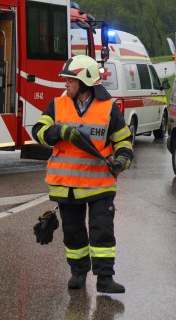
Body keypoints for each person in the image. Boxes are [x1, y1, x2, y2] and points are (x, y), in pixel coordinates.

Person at [32, 55, 134, 293]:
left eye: (70, 80)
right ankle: (78, 273)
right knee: (73, 232)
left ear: (85, 82)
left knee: (102, 231)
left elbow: (123, 141)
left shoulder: (108, 108)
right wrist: (59, 131)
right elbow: (38, 132)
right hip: (67, 185)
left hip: (100, 185)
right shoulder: (57, 104)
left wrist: (123, 160)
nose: (65, 84)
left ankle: (105, 279)